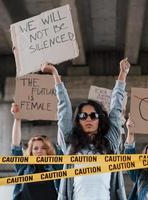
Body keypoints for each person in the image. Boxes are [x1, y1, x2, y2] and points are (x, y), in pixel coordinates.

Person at [40, 58, 131, 200]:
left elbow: (116, 108)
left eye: (93, 115)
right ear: (78, 121)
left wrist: (123, 74)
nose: (88, 119)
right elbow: (63, 110)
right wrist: (55, 74)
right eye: (83, 116)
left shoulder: (110, 145)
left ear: (100, 120)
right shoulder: (70, 146)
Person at [11, 103, 63, 200]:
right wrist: (17, 119)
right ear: (31, 152)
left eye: (43, 148)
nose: (39, 151)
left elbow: (61, 145)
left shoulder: (56, 167)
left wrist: (60, 120)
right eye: (35, 148)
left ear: (48, 151)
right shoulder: (24, 167)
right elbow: (16, 146)